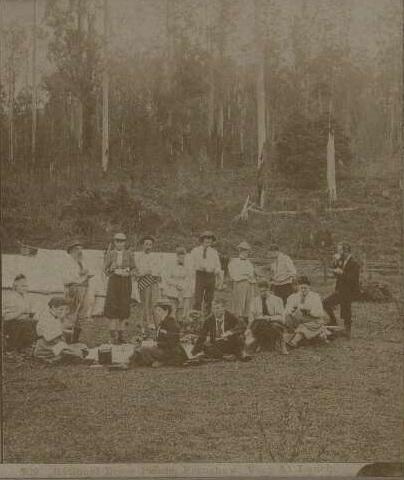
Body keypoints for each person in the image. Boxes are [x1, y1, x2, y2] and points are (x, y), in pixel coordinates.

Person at [130, 300, 188, 367]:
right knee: (140, 348)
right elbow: (160, 337)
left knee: (144, 349)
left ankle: (163, 362)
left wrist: (157, 344)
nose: (157, 313)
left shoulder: (171, 322)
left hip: (170, 352)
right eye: (157, 311)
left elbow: (173, 341)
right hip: (163, 348)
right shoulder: (163, 322)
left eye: (159, 310)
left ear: (166, 311)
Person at [104, 233, 137, 344]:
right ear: (114, 242)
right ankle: (113, 336)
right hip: (114, 282)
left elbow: (134, 269)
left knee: (124, 307)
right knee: (112, 307)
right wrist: (111, 269)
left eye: (122, 241)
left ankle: (121, 335)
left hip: (125, 282)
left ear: (125, 242)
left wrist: (129, 272)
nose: (119, 243)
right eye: (117, 241)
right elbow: (105, 270)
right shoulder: (110, 254)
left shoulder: (129, 254)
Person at [34, 297, 89, 363]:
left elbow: (57, 330)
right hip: (45, 348)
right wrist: (62, 329)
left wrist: (67, 331)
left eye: (65, 309)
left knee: (81, 346)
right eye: (61, 309)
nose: (63, 312)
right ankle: (78, 355)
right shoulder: (45, 317)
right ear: (53, 307)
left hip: (54, 345)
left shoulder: (54, 316)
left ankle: (78, 354)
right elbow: (48, 337)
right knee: (73, 351)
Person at [323, 242, 360, 338]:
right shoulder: (341, 260)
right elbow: (336, 271)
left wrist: (341, 273)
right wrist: (335, 266)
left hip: (349, 290)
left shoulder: (354, 263)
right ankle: (333, 321)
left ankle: (347, 331)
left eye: (340, 250)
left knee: (346, 309)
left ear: (346, 251)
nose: (338, 252)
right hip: (340, 289)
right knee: (326, 303)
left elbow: (353, 279)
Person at [285, 276, 329, 348]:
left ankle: (294, 342)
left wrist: (309, 311)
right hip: (299, 320)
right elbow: (288, 308)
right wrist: (291, 310)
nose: (303, 290)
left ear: (309, 288)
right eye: (301, 288)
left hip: (313, 320)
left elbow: (319, 312)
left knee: (305, 326)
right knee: (289, 317)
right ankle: (300, 337)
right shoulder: (294, 297)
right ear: (299, 288)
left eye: (305, 288)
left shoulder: (315, 296)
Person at [246, 279, 288, 354]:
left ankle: (281, 343)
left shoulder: (277, 300)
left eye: (265, 291)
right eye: (261, 291)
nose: (263, 293)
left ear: (268, 290)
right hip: (259, 323)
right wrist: (248, 328)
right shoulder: (254, 301)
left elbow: (282, 317)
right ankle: (257, 343)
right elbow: (251, 317)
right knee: (259, 322)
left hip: (274, 322)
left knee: (271, 325)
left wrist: (269, 318)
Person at [63, 240, 92, 343]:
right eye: (76, 249)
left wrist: (86, 274)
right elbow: (66, 279)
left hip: (84, 288)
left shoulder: (82, 262)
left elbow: (86, 273)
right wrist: (80, 274)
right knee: (71, 314)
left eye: (80, 249)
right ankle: (67, 340)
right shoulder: (67, 262)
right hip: (73, 288)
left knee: (82, 314)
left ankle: (75, 339)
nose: (79, 252)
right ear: (71, 251)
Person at [2, 274, 37, 352]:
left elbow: (30, 312)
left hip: (24, 324)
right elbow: (5, 317)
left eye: (26, 286)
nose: (25, 288)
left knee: (35, 321)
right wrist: (21, 312)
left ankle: (27, 346)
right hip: (12, 325)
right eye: (22, 286)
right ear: (15, 286)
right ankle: (15, 347)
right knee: (27, 323)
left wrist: (31, 313)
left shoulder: (26, 297)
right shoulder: (9, 297)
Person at [190, 231, 223, 315]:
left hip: (210, 276)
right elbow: (191, 264)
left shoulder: (214, 252)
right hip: (199, 275)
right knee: (198, 299)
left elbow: (218, 266)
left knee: (209, 299)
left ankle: (207, 319)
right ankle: (196, 318)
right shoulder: (195, 251)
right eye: (206, 238)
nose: (208, 240)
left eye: (210, 239)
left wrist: (216, 271)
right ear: (202, 240)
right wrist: (198, 267)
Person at [136, 235, 161, 335]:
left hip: (153, 281)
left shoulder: (155, 256)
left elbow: (158, 269)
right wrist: (145, 272)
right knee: (145, 303)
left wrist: (152, 272)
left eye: (150, 245)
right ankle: (144, 324)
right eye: (146, 244)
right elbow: (138, 271)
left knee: (154, 303)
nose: (148, 246)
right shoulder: (139, 257)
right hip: (143, 281)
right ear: (142, 245)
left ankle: (156, 324)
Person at [161, 247, 194, 324]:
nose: (181, 258)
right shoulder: (170, 264)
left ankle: (184, 320)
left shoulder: (188, 265)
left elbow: (189, 277)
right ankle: (173, 320)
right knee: (173, 305)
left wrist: (183, 286)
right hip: (173, 286)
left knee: (186, 300)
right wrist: (176, 285)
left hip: (184, 287)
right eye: (180, 257)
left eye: (183, 257)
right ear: (177, 256)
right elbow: (167, 277)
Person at [228, 241, 256, 324]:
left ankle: (246, 320)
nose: (245, 253)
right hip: (240, 283)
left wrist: (248, 276)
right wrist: (245, 275)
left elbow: (251, 273)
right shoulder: (234, 262)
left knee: (249, 302)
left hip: (249, 284)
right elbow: (234, 274)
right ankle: (237, 321)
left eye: (247, 251)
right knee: (239, 303)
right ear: (239, 251)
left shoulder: (249, 262)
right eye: (243, 250)